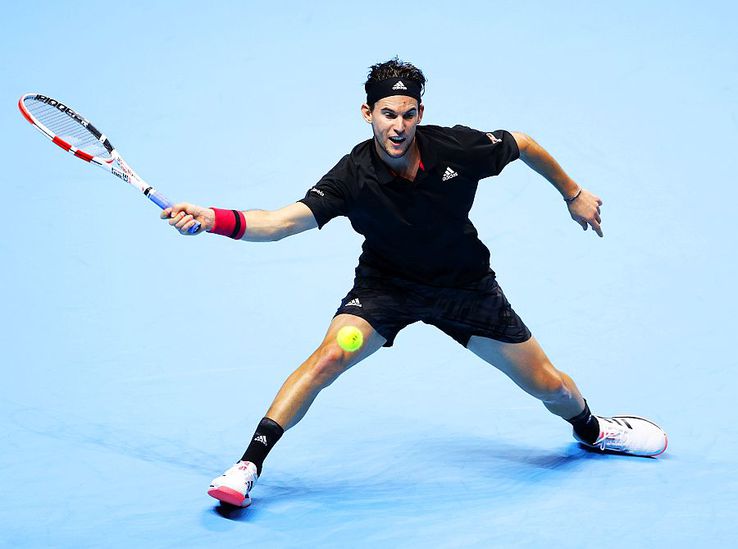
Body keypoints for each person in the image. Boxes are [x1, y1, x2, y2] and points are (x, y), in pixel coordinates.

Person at [162, 58, 667, 508]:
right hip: (387, 288)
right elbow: (278, 222)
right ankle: (247, 466)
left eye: (407, 113)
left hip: (465, 286)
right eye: (387, 113)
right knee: (328, 357)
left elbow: (524, 145)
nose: (398, 125)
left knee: (548, 385)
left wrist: (572, 192)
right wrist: (212, 218)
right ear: (368, 114)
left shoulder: (456, 148)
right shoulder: (352, 176)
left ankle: (594, 430)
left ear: (419, 113)